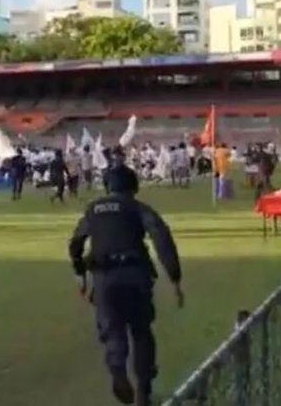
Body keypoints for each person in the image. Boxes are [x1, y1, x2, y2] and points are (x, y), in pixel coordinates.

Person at [68, 166, 184, 406]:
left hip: (104, 278)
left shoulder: (93, 210)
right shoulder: (138, 208)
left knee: (112, 331)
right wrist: (174, 278)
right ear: (133, 186)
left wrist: (80, 272)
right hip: (135, 275)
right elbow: (161, 238)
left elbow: (76, 242)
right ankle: (143, 390)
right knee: (141, 332)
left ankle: (117, 368)